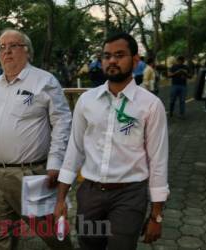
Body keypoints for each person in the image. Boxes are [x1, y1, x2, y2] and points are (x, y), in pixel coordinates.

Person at [54, 32, 169, 250]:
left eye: (119, 55)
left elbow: (158, 161)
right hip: (90, 194)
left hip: (130, 195)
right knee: (88, 245)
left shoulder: (151, 105)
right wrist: (61, 198)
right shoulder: (87, 101)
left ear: (135, 61)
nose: (112, 61)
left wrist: (156, 215)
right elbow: (74, 149)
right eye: (107, 56)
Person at [0, 29, 73, 250]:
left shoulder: (44, 80)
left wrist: (55, 162)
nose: (7, 51)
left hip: (30, 174)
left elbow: (62, 122)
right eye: (2, 47)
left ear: (27, 51)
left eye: (14, 45)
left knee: (51, 233)